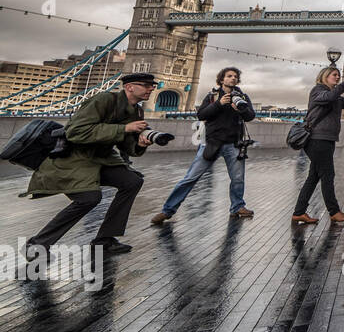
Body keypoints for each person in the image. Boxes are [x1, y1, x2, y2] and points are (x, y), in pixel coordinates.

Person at [23, 73, 160, 256]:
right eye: (146, 85)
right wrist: (124, 128)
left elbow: (126, 145)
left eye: (153, 85)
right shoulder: (103, 100)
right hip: (74, 159)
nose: (151, 88)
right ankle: (37, 244)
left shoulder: (136, 110)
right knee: (89, 198)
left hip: (101, 159)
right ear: (129, 87)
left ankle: (105, 240)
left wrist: (140, 145)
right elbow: (75, 132)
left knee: (132, 181)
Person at [152, 66, 257, 225]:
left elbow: (250, 116)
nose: (233, 78)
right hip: (211, 143)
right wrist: (219, 104)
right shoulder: (212, 96)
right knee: (190, 178)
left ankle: (237, 207)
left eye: (235, 76)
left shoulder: (242, 96)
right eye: (229, 76)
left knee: (238, 179)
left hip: (234, 144)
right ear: (222, 79)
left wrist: (240, 109)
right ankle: (167, 210)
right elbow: (201, 115)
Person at [292, 66, 344, 224]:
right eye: (334, 75)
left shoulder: (334, 96)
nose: (337, 77)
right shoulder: (318, 91)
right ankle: (334, 211)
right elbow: (329, 97)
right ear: (324, 76)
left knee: (313, 177)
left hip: (327, 139)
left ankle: (299, 212)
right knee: (328, 175)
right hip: (317, 139)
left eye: (338, 75)